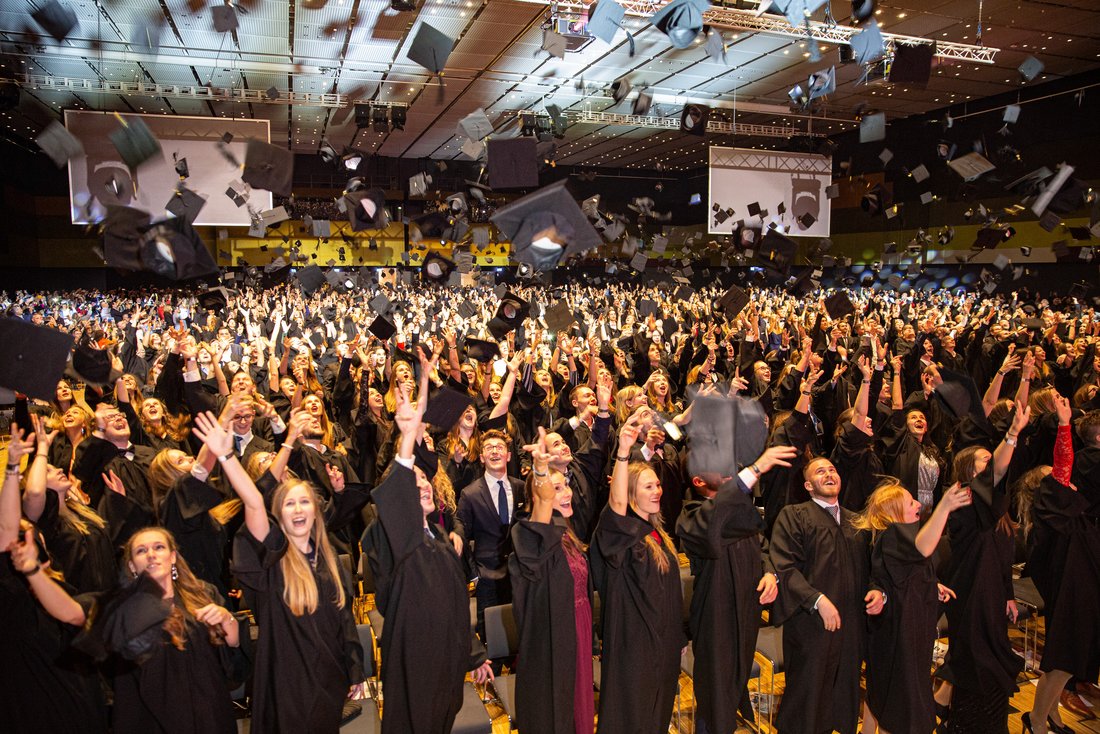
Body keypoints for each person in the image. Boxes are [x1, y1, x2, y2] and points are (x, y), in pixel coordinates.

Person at [193, 410, 365, 733]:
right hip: (286, 684)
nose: (298, 509)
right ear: (279, 515)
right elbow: (255, 503)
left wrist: (354, 669)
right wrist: (227, 457)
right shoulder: (273, 558)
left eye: (304, 502)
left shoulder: (329, 561)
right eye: (289, 504)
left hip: (327, 680)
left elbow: (345, 621)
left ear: (316, 510)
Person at [362, 358, 493, 733]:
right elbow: (396, 491)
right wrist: (407, 437)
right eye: (414, 480)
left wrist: (475, 655)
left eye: (426, 479)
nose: (424, 484)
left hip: (447, 658)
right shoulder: (391, 535)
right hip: (414, 655)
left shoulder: (437, 539)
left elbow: (454, 603)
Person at [676, 444, 797, 734]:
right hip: (716, 618)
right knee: (716, 695)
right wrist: (754, 470)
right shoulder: (691, 516)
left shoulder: (742, 511)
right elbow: (714, 522)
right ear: (698, 481)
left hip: (746, 614)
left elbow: (763, 548)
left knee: (733, 687)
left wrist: (770, 574)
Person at [82, 526, 244, 733]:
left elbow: (234, 650)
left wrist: (226, 616)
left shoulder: (203, 593)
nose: (151, 555)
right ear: (132, 566)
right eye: (141, 551)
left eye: (159, 547)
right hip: (150, 718)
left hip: (208, 712)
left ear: (173, 556)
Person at [0, 422, 108, 734]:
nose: (30, 539)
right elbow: (9, 530)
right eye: (24, 537)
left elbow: (74, 614)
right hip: (31, 693)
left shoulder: (62, 586)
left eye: (31, 536)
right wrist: (10, 469)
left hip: (76, 687)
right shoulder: (13, 592)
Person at [769, 456, 885, 734]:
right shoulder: (794, 515)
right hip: (811, 625)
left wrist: (877, 590)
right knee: (807, 697)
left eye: (832, 469)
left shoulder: (857, 521)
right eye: (820, 471)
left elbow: (875, 567)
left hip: (851, 627)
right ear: (808, 485)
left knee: (845, 697)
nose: (829, 474)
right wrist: (817, 601)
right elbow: (784, 567)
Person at [590, 409, 685, 734]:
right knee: (633, 716)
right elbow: (615, 505)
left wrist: (678, 637)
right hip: (634, 645)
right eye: (647, 487)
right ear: (630, 495)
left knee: (656, 714)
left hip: (663, 643)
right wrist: (623, 449)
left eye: (657, 485)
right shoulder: (623, 534)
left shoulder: (657, 534)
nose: (657, 490)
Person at [940, 399, 1030, 733]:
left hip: (992, 593)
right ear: (969, 471)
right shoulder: (963, 501)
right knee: (977, 667)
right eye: (984, 460)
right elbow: (996, 475)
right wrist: (1011, 435)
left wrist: (1008, 594)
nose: (991, 463)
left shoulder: (997, 511)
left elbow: (1003, 558)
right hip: (971, 594)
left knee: (988, 668)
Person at [856, 479, 970, 734]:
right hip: (897, 636)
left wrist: (934, 586)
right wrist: (944, 507)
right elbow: (922, 548)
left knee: (892, 695)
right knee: (900, 703)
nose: (918, 504)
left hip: (913, 632)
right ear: (894, 513)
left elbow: (909, 574)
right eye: (910, 503)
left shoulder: (901, 539)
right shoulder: (892, 536)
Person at [1019, 394, 1098, 734]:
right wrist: (1064, 426)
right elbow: (1064, 466)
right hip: (1072, 590)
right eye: (1053, 476)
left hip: (1077, 585)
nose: (1064, 475)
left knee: (1068, 658)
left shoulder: (1070, 514)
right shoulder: (1056, 510)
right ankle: (1036, 721)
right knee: (1064, 661)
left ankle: (1051, 715)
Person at [509, 427, 594, 734]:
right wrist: (542, 471)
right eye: (557, 489)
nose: (567, 492)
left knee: (579, 706)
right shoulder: (532, 537)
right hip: (553, 637)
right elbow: (541, 511)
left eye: (566, 485)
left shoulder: (566, 533)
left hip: (579, 628)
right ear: (538, 496)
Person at [456, 428, 526, 634]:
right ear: (481, 457)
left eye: (500, 447)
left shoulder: (522, 487)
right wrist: (474, 574)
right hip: (487, 578)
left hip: (520, 575)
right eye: (489, 448)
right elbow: (461, 532)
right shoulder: (469, 494)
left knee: (521, 637)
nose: (495, 451)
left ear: (509, 455)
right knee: (492, 641)